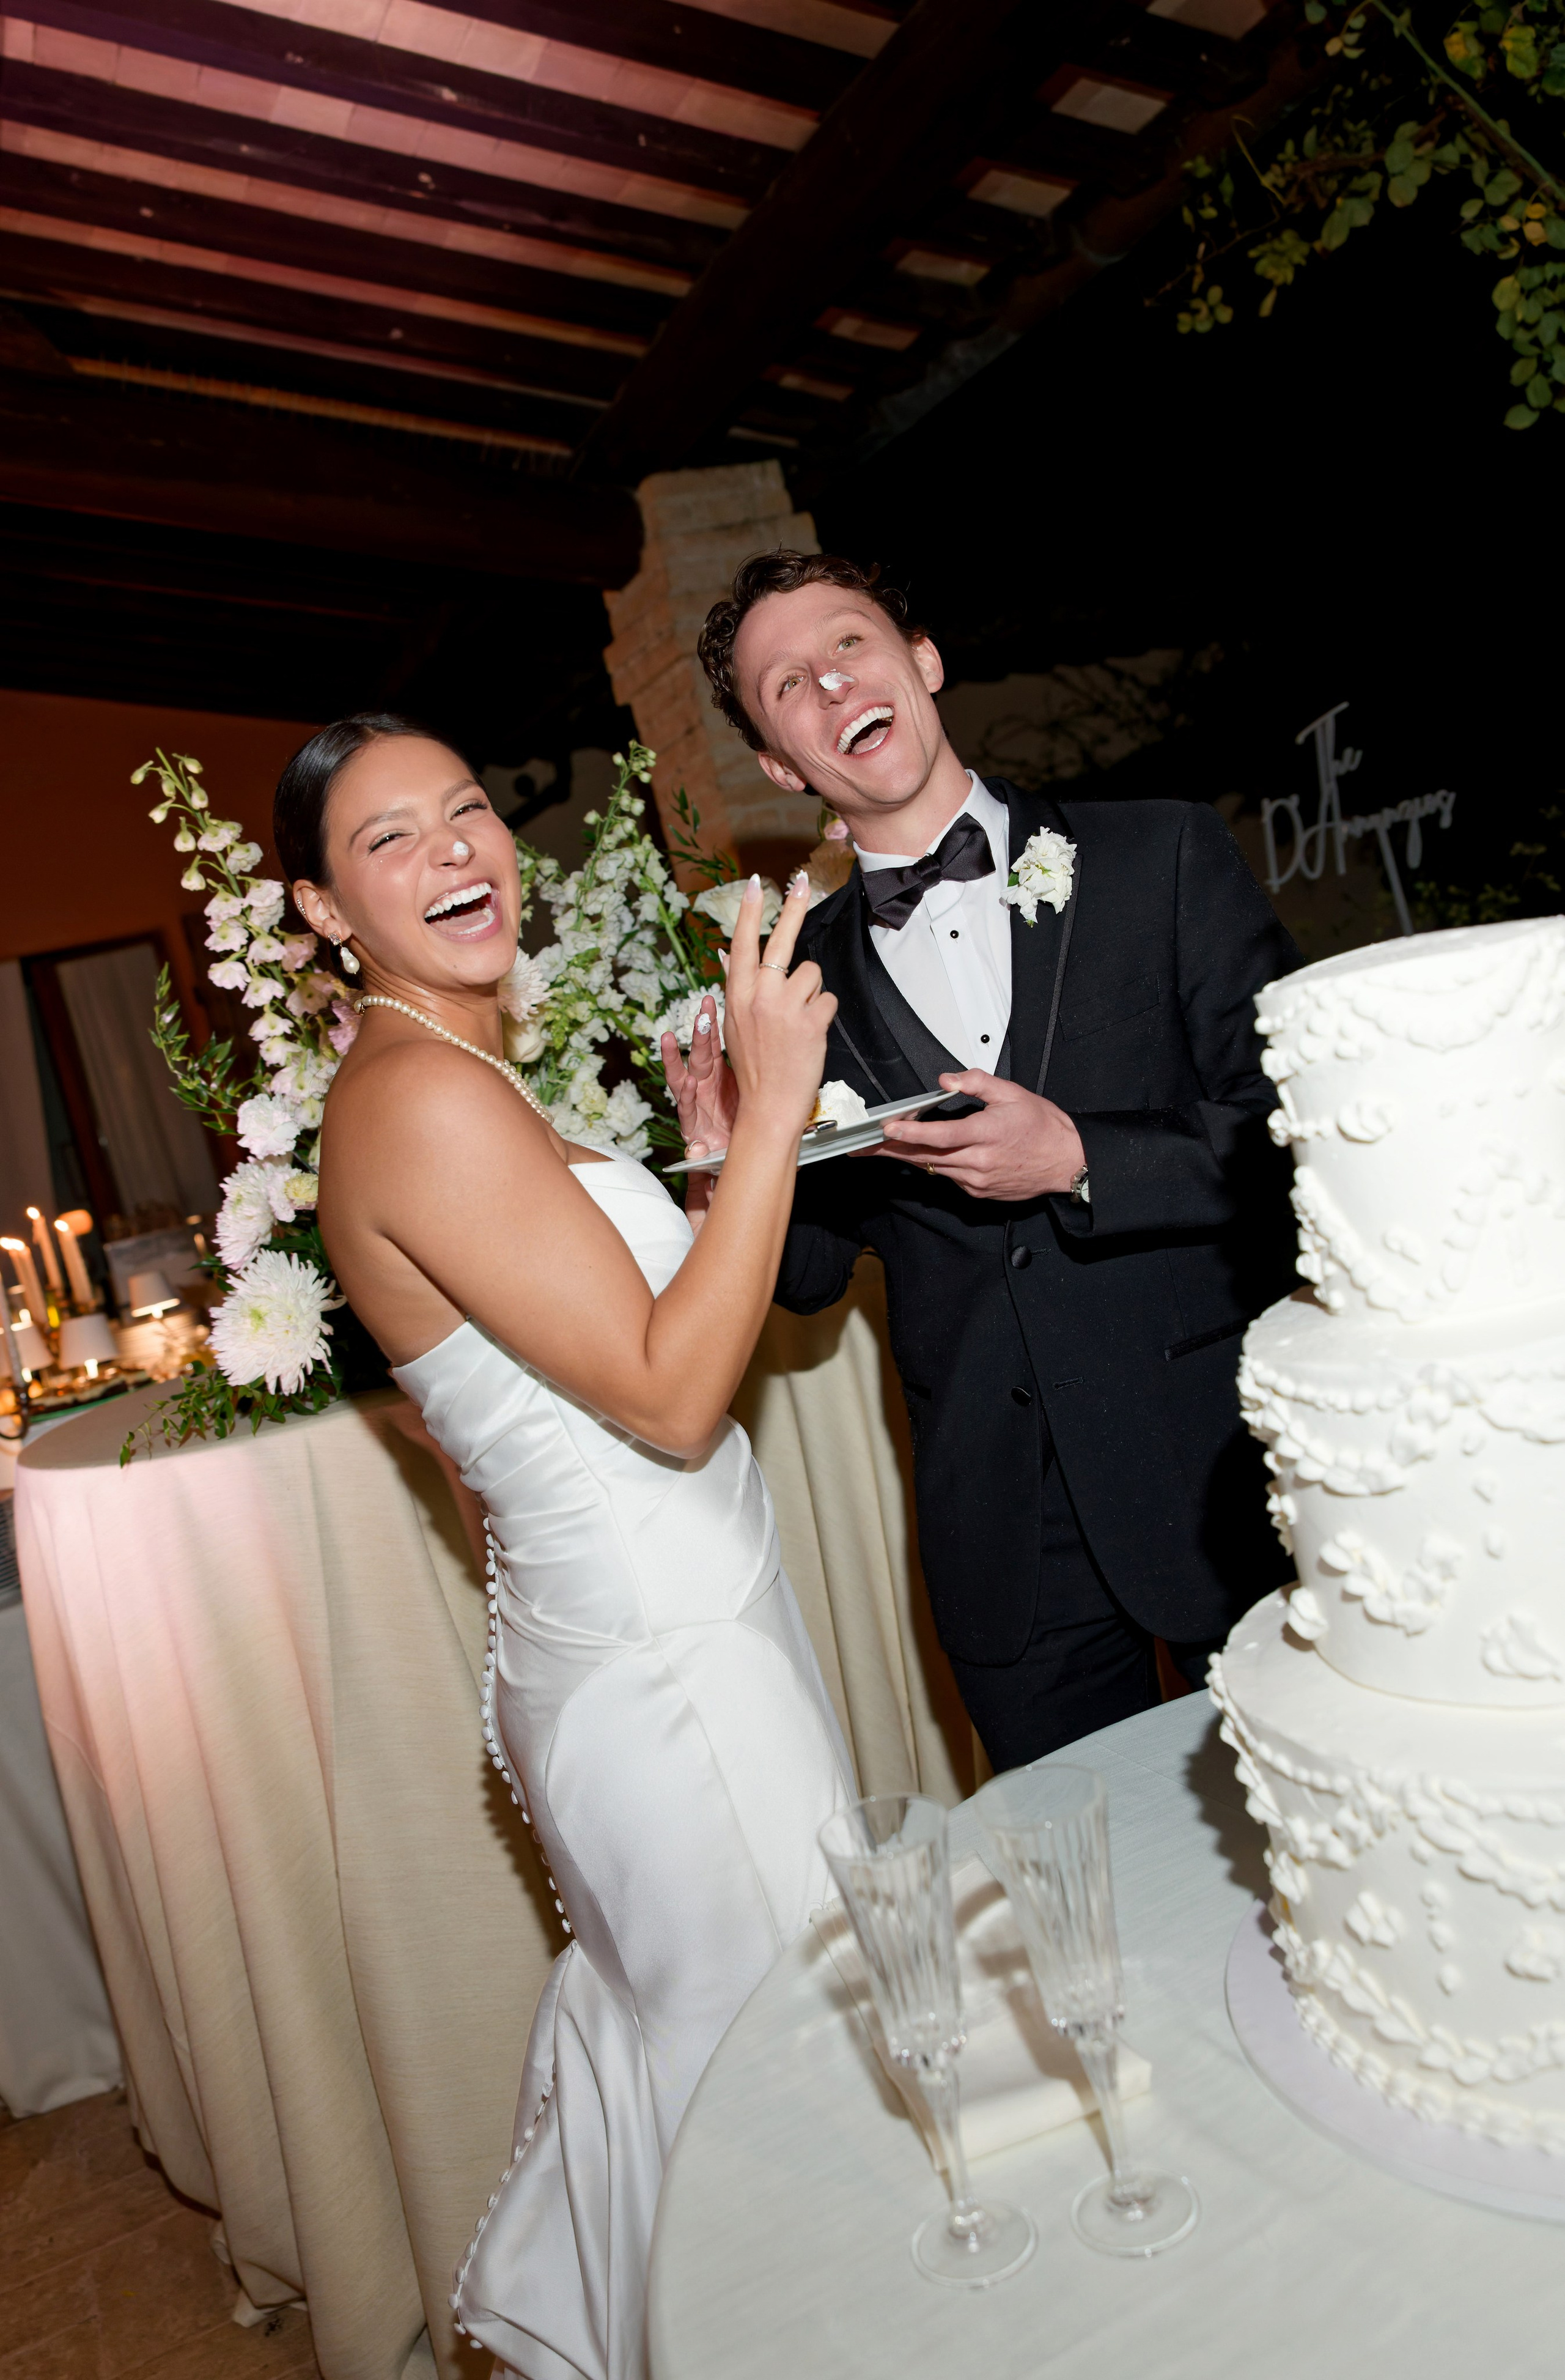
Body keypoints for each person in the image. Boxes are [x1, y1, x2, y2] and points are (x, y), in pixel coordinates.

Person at [277, 713, 852, 2380]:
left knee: (728, 2050)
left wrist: (707, 1156)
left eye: (469, 810)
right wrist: (775, 1123)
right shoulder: (416, 1104)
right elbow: (675, 1401)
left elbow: (510, 1420)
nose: (456, 850)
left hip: (644, 1638)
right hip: (672, 1673)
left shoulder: (446, 1076)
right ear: (321, 912)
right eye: (391, 840)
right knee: (779, 2076)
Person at [667, 554, 1300, 1773]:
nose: (829, 680)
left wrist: (1078, 1156)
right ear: (780, 762)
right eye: (787, 683)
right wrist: (723, 1150)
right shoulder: (792, 987)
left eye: (848, 643)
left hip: (1222, 1479)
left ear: (921, 659)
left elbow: (1290, 1135)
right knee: (1093, 1920)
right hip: (1003, 1540)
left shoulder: (1157, 856)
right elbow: (799, 1276)